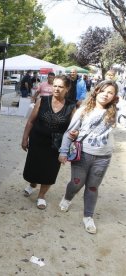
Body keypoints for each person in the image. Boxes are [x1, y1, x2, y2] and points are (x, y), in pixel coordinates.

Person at [58, 80, 126, 234]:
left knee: (93, 187)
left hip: (103, 157)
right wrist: (63, 152)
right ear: (96, 91)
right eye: (103, 91)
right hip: (83, 154)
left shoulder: (115, 111)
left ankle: (88, 216)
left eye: (110, 92)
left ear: (115, 96)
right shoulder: (83, 110)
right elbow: (69, 133)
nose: (105, 94)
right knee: (76, 183)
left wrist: (121, 103)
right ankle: (68, 198)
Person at [21, 75, 76, 209]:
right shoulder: (42, 100)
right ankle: (32, 184)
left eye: (60, 86)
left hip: (56, 145)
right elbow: (30, 121)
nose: (56, 89)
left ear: (67, 88)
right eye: (55, 85)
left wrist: (72, 140)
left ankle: (41, 196)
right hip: (38, 141)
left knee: (49, 171)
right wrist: (24, 138)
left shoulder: (71, 106)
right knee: (34, 167)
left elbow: (73, 128)